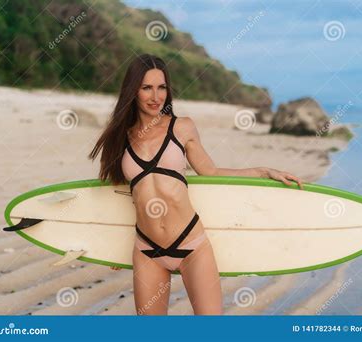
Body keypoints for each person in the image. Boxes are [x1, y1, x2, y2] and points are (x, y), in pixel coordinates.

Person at [88, 54, 303, 315]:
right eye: (147, 88)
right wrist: (109, 245)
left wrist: (262, 171)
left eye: (162, 87)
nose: (156, 96)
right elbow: (119, 194)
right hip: (147, 249)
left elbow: (210, 171)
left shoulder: (182, 128)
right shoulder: (121, 137)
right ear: (133, 90)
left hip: (191, 245)